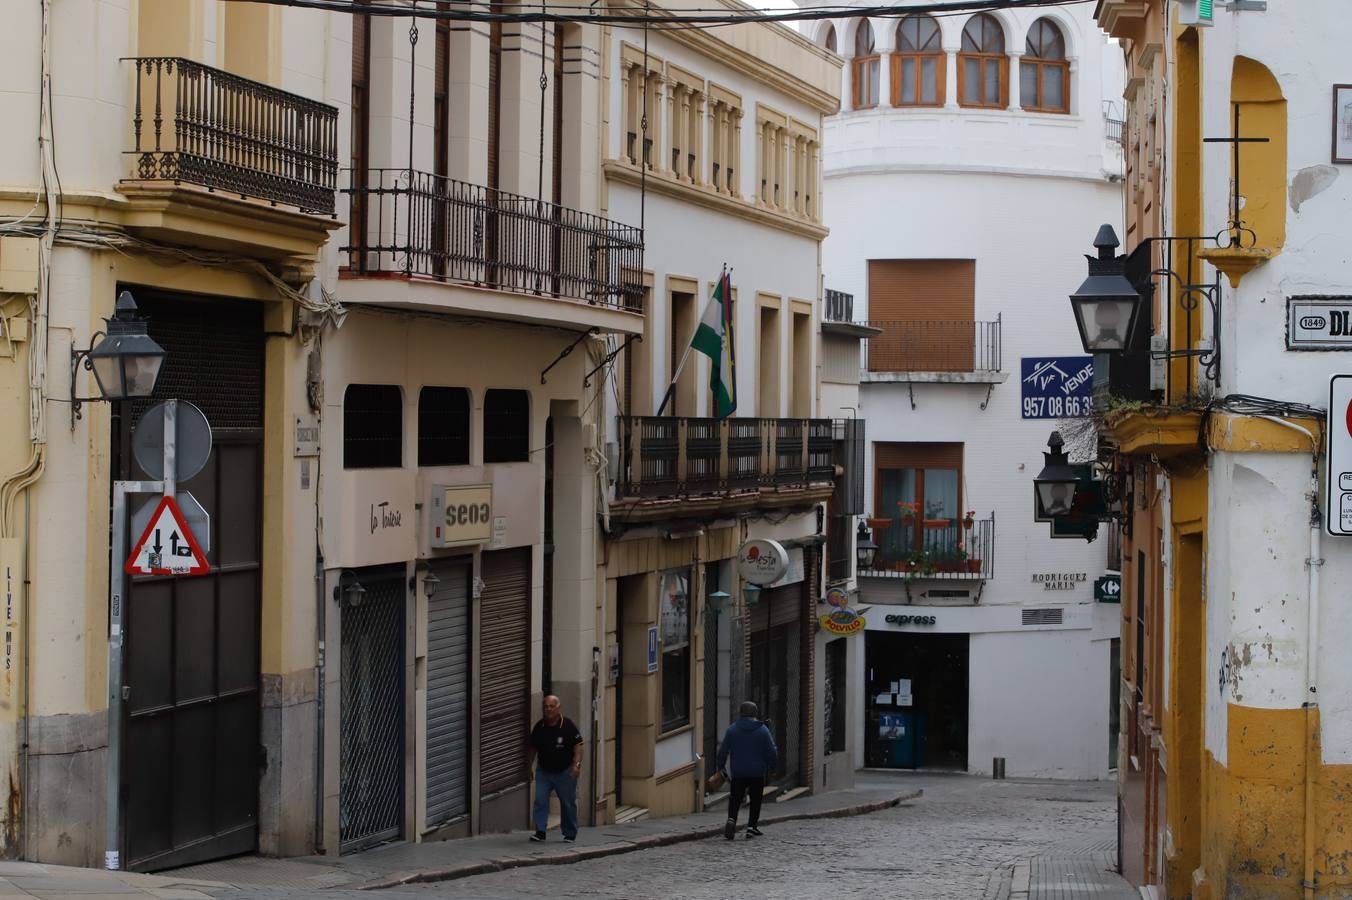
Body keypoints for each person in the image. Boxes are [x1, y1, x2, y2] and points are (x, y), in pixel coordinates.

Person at [715, 701, 778, 840]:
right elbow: (771, 751)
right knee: (756, 799)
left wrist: (721, 767)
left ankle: (731, 819)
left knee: (735, 798)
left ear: (741, 713)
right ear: (755, 713)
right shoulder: (763, 730)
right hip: (757, 772)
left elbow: (723, 751)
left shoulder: (732, 730)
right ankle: (751, 827)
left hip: (738, 771)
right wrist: (772, 767)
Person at [527, 694, 583, 843]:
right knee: (540, 800)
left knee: (567, 803)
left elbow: (578, 746)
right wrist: (529, 767)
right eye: (545, 707)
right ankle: (540, 831)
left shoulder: (568, 725)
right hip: (544, 771)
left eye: (552, 706)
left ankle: (570, 832)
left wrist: (576, 765)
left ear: (558, 708)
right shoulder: (539, 727)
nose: (548, 709)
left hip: (564, 772)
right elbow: (532, 748)